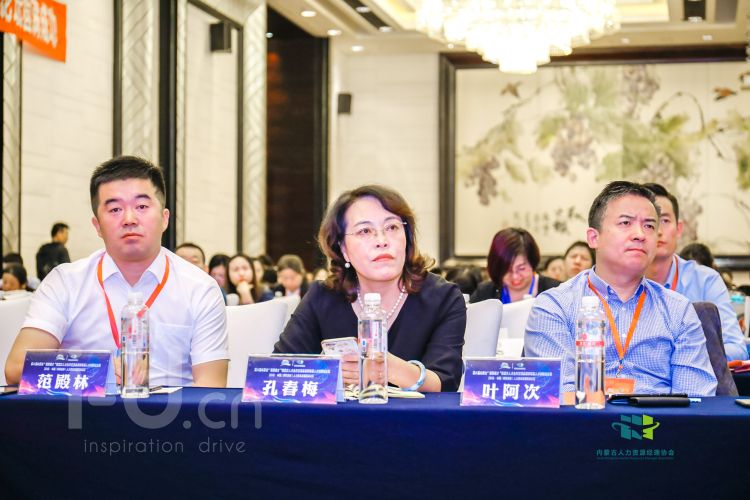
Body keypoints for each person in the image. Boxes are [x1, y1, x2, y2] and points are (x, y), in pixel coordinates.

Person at [4, 156, 229, 387]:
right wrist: (98, 371)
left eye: (142, 207)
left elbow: (211, 385)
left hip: (172, 409)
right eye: (115, 209)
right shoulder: (65, 283)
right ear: (97, 226)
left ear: (164, 219)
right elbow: (16, 369)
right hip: (82, 408)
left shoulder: (200, 288)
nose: (129, 219)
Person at [525, 181, 716, 397]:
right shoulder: (554, 307)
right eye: (626, 222)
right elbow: (558, 397)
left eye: (649, 226)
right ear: (594, 238)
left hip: (658, 418)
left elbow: (694, 400)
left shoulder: (678, 310)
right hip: (583, 417)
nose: (640, 234)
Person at [274, 184, 466, 392]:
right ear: (343, 249)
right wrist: (328, 371)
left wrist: (383, 366)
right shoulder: (323, 297)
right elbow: (277, 370)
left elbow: (444, 383)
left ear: (407, 238)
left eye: (392, 227)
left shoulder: (443, 297)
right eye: (365, 231)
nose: (382, 241)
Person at [643, 183, 748, 361]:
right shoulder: (622, 280)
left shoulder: (705, 280)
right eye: (649, 223)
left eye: (665, 221)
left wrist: (684, 358)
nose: (658, 230)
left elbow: (736, 348)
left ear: (679, 229)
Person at [470, 228, 560, 304]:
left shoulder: (556, 291)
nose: (515, 276)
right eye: (507, 270)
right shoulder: (485, 293)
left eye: (521, 268)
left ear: (533, 262)